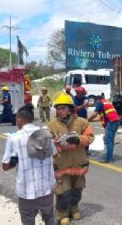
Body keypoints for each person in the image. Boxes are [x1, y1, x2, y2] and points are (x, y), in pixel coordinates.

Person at [2, 104, 56, 225]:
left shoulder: (14, 138)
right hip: (46, 189)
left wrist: (16, 161)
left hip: (27, 191)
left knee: (28, 221)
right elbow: (55, 155)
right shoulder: (46, 135)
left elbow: (5, 166)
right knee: (49, 218)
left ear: (19, 119)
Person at [46, 94, 94, 225]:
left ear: (70, 109)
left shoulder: (82, 122)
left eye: (63, 108)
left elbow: (90, 137)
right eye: (58, 108)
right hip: (61, 164)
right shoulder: (51, 125)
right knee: (63, 191)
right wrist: (54, 142)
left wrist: (79, 139)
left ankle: (74, 208)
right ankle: (62, 214)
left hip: (78, 163)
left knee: (77, 189)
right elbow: (46, 142)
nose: (60, 111)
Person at [88, 95, 120, 163]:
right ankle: (109, 157)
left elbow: (95, 114)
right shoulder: (106, 102)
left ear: (97, 100)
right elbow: (101, 117)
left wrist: (88, 119)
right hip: (116, 121)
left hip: (111, 122)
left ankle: (108, 158)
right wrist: (93, 121)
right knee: (110, 140)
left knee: (108, 140)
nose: (95, 103)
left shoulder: (100, 103)